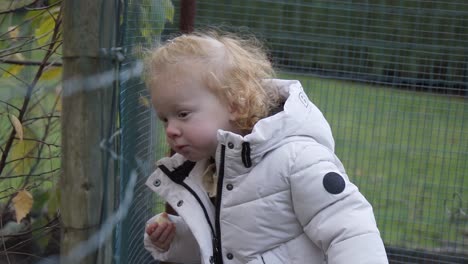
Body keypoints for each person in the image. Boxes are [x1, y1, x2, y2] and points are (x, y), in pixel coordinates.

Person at [142, 31, 388, 264]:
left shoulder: (296, 159)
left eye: (182, 114)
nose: (171, 130)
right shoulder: (213, 169)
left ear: (234, 105)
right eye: (165, 118)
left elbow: (351, 231)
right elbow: (231, 246)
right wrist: (178, 237)